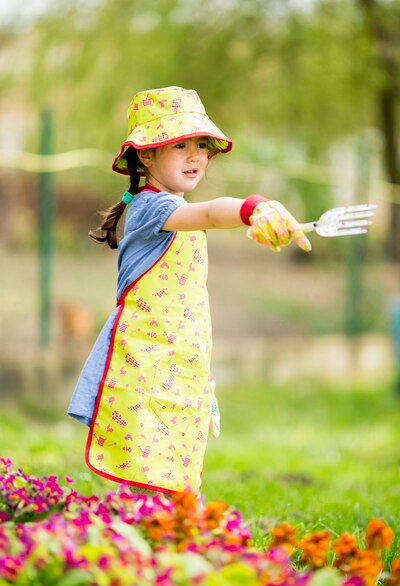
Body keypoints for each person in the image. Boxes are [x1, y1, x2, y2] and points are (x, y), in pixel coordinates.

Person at [68, 85, 311, 497]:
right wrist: (253, 207)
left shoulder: (173, 208)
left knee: (179, 474)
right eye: (180, 145)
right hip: (145, 368)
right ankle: (143, 548)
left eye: (202, 145)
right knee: (150, 478)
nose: (196, 155)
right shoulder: (153, 208)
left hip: (180, 363)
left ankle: (174, 542)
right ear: (146, 155)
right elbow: (213, 214)